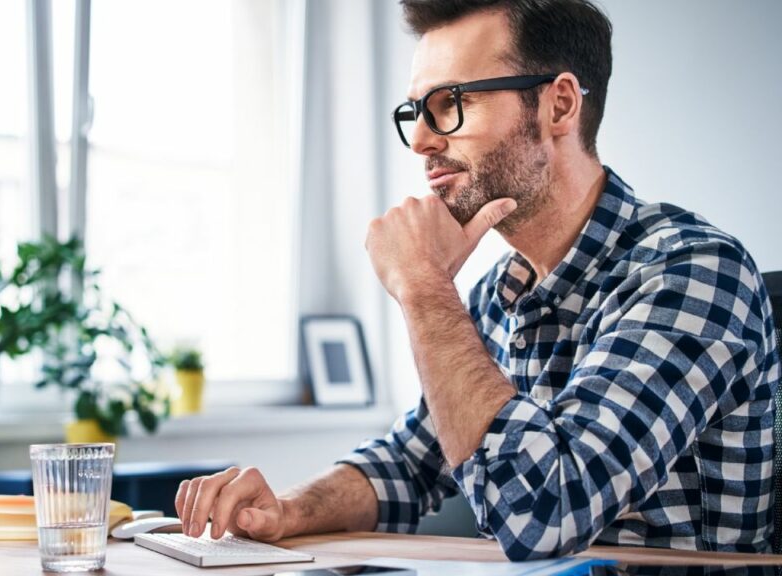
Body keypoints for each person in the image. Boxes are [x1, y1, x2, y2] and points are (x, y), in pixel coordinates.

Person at [175, 0, 779, 560]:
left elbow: (545, 511)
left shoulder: (692, 272)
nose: (421, 140)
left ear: (559, 104)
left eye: (451, 102)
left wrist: (421, 285)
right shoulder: (500, 294)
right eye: (416, 110)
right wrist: (288, 509)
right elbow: (408, 464)